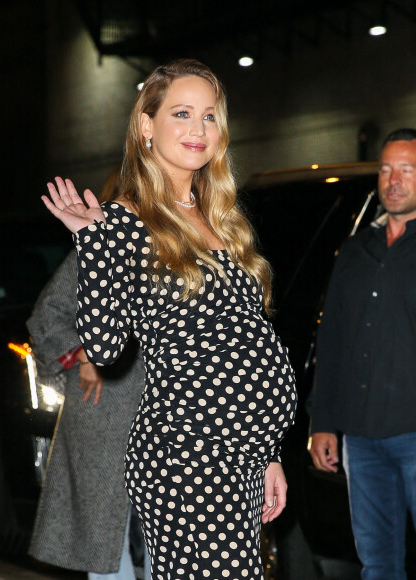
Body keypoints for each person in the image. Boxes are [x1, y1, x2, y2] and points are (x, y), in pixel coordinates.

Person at [40, 59, 297, 580]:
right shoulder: (126, 222)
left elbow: (244, 338)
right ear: (145, 125)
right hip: (187, 457)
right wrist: (94, 247)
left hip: (238, 459)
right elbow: (107, 349)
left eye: (209, 116)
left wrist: (266, 454)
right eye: (182, 114)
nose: (199, 130)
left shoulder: (218, 216)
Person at [308, 128, 416, 579]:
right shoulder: (357, 250)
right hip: (360, 440)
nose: (394, 180)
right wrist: (323, 422)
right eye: (386, 169)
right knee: (376, 563)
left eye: (408, 169)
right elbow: (334, 341)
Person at [28, 168, 150, 580]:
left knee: (164, 545)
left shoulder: (178, 247)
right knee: (105, 548)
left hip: (159, 421)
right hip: (105, 417)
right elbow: (46, 317)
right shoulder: (95, 248)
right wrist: (85, 355)